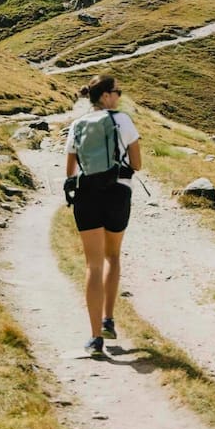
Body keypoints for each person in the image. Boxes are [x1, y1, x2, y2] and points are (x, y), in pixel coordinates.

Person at [64, 75, 142, 358]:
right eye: (117, 92)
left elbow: (70, 169)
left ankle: (95, 337)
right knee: (113, 256)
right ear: (106, 96)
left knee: (92, 265)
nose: (119, 96)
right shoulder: (123, 121)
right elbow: (137, 163)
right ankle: (109, 319)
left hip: (87, 195)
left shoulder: (77, 125)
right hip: (118, 192)